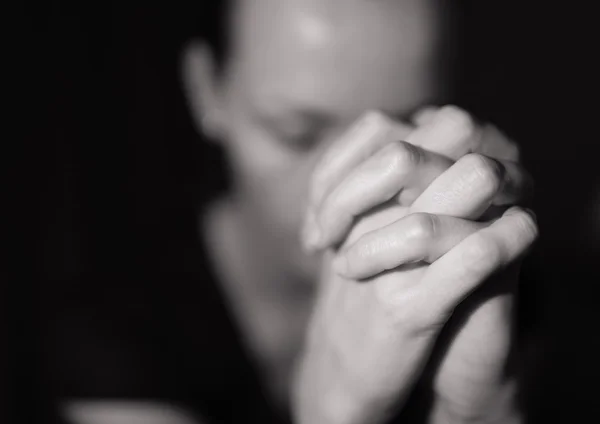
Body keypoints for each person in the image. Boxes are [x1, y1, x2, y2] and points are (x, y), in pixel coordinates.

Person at [62, 1, 537, 423]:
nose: (348, 183)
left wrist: (479, 412)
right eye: (295, 135)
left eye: (406, 130)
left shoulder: (505, 286)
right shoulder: (114, 313)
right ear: (205, 89)